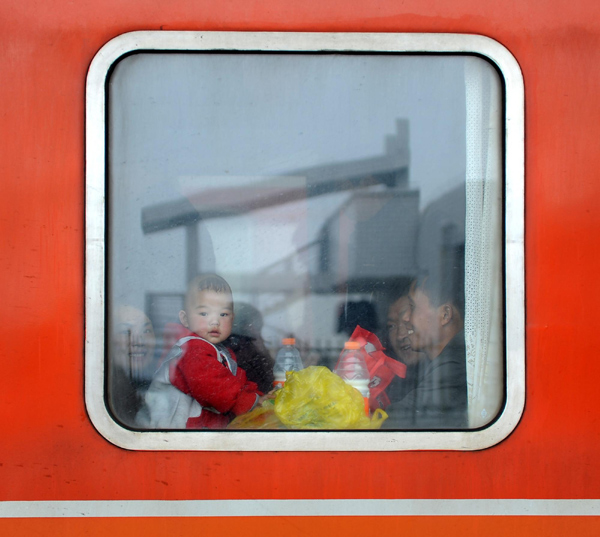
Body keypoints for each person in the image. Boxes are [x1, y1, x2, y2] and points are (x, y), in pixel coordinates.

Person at [137, 274, 270, 429]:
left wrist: (257, 397)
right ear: (185, 319)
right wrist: (249, 402)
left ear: (232, 319)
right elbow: (213, 384)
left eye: (223, 314)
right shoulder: (190, 350)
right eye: (204, 314)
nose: (215, 321)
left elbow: (234, 381)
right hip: (166, 434)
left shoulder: (221, 353)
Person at [383, 273, 467, 429]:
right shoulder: (437, 364)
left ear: (445, 315)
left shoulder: (454, 366)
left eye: (413, 308)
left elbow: (400, 418)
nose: (406, 318)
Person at [108, 306, 157, 427]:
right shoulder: (109, 390)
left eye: (146, 331)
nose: (139, 341)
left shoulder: (155, 380)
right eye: (125, 332)